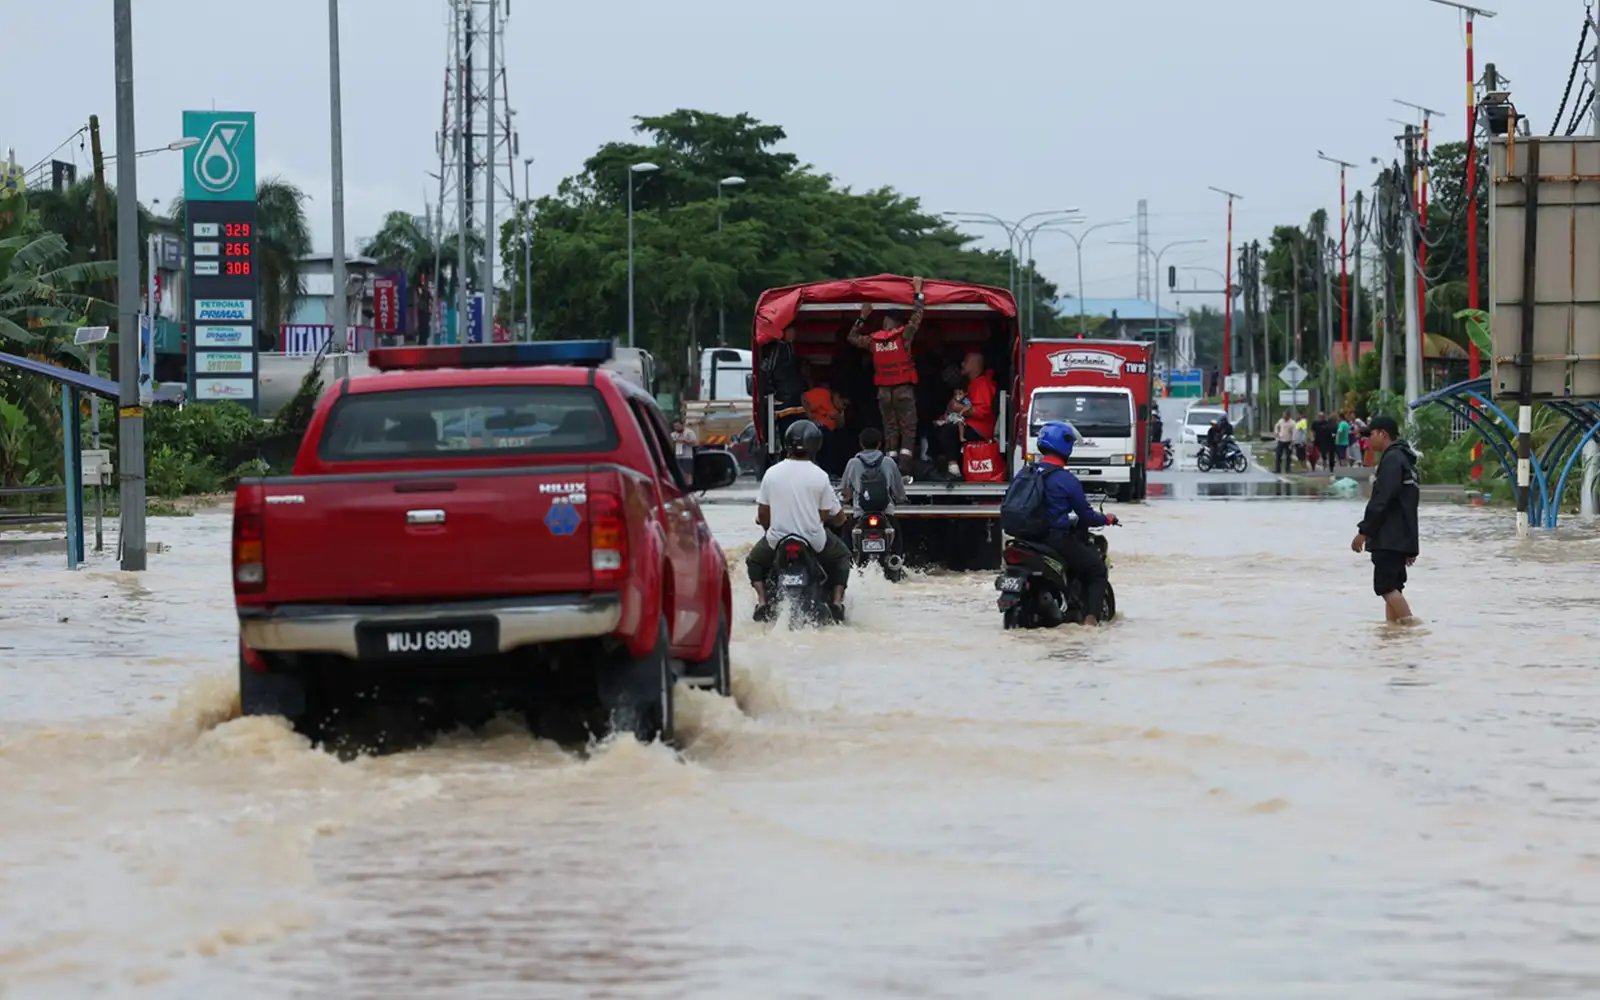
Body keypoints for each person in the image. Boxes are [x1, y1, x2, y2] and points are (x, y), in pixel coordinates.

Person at [745, 419, 853, 623]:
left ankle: (761, 601)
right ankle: (837, 602)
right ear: (816, 445)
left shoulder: (772, 473)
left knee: (754, 561)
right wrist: (824, 521)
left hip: (777, 538)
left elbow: (763, 514)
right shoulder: (820, 476)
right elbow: (835, 517)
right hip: (813, 539)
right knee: (842, 558)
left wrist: (771, 529)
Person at [1032, 421, 1119, 626]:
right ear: (1065, 446)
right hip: (1054, 540)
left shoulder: (1027, 473)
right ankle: (1090, 624)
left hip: (1025, 538)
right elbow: (1086, 516)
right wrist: (1106, 519)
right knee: (1097, 571)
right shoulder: (1065, 479)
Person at [848, 275, 926, 474]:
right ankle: (905, 470)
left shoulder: (874, 341)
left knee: (890, 428)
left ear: (885, 322)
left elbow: (852, 338)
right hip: (903, 390)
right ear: (898, 323)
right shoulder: (904, 336)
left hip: (884, 393)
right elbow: (917, 315)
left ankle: (890, 468)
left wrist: (863, 316)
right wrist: (918, 290)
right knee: (908, 429)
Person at [1350, 415, 1420, 624]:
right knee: (1393, 588)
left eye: (1371, 434)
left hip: (1388, 539)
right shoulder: (1407, 461)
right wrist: (1410, 545)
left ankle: (1414, 630)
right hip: (1400, 538)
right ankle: (1393, 639)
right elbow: (1409, 506)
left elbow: (1381, 500)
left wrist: (1363, 532)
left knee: (1386, 588)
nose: (1369, 440)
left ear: (1383, 434)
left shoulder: (1392, 460)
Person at [840, 427, 909, 560]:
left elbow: (844, 490)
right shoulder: (888, 462)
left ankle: (849, 565)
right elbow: (899, 491)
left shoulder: (853, 463)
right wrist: (901, 499)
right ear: (879, 444)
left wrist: (845, 499)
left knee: (846, 536)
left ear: (861, 444)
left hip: (860, 513)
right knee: (897, 536)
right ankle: (896, 562)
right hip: (886, 512)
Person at [931, 351, 997, 479]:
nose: (962, 364)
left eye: (965, 361)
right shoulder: (972, 384)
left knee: (948, 431)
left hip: (980, 428)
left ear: (974, 365)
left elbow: (984, 411)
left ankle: (953, 468)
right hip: (969, 423)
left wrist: (958, 409)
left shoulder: (982, 384)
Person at [760, 324, 807, 453]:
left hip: (795, 398)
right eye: (791, 331)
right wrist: (773, 390)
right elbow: (767, 368)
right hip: (783, 400)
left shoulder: (790, 347)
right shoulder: (777, 348)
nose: (794, 334)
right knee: (786, 431)